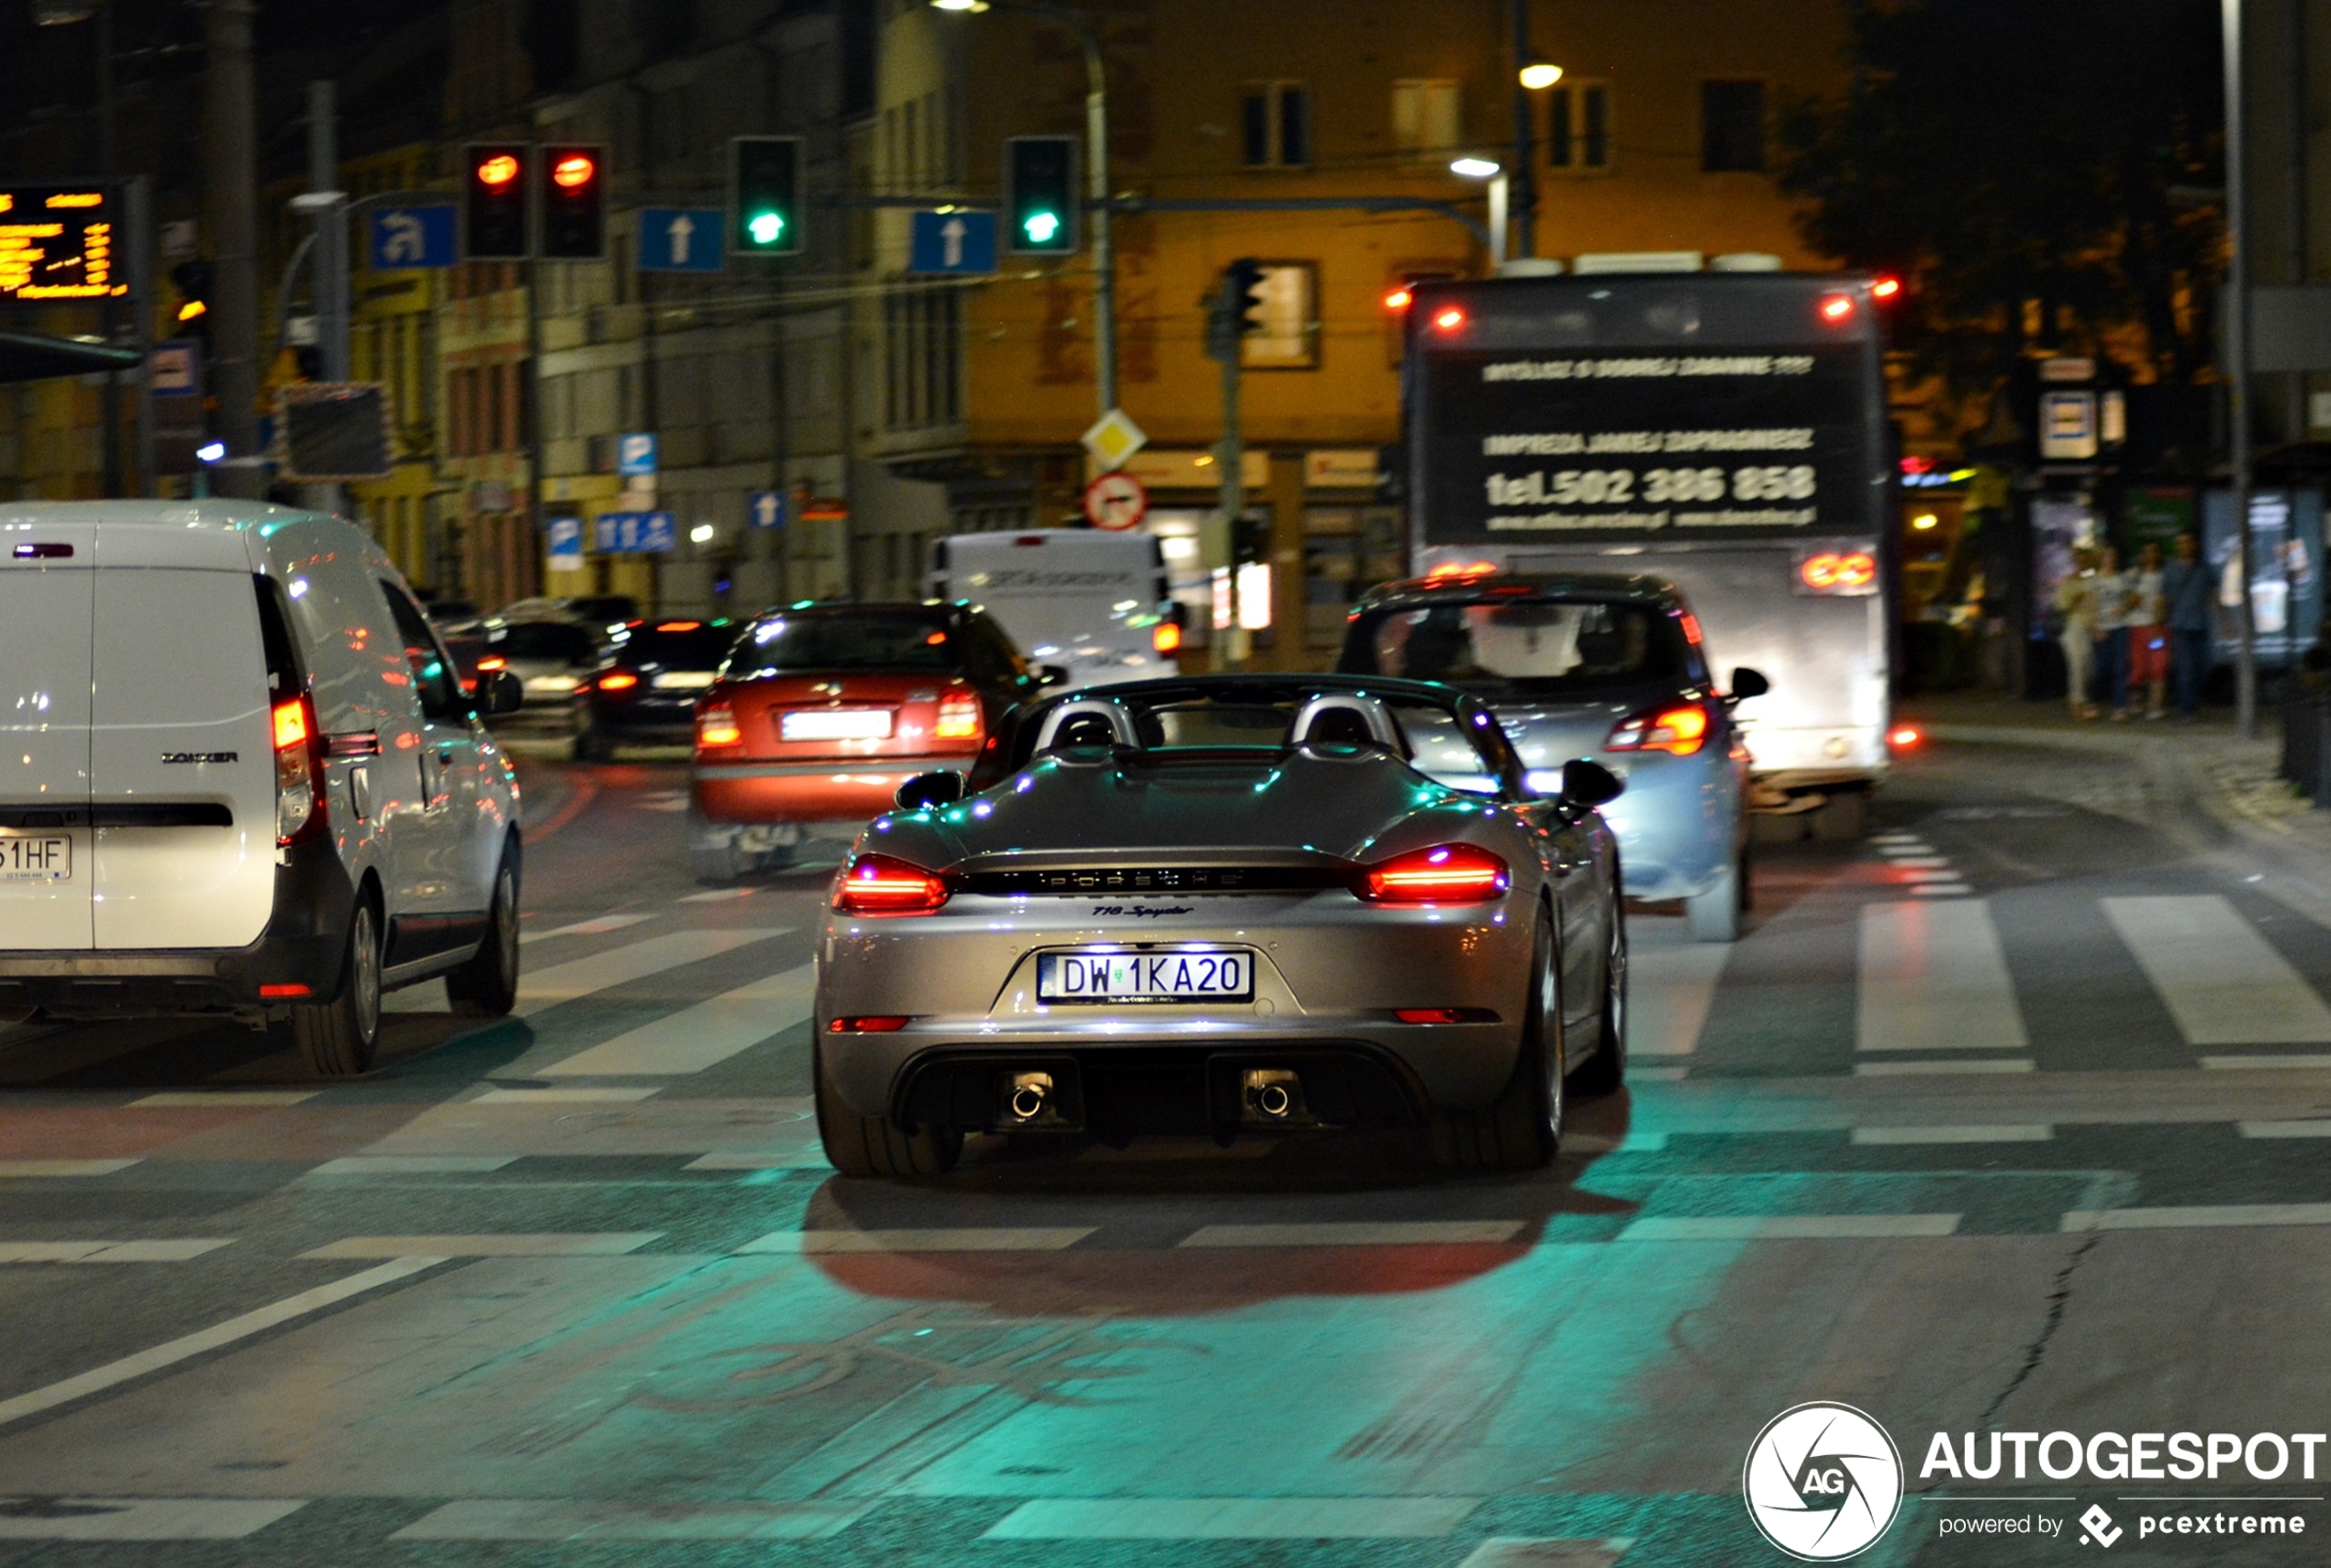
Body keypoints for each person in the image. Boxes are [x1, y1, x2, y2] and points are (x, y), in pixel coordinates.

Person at [2160, 531, 2214, 717]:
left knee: (2202, 667)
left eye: (2186, 542)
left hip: (2200, 625)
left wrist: (2225, 622)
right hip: (2180, 625)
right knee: (2186, 669)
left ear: (2194, 545)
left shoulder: (2203, 569)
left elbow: (2212, 595)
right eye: (2179, 543)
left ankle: (2194, 701)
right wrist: (2160, 623)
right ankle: (2186, 709)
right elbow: (2164, 598)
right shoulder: (2170, 569)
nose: (2183, 547)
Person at [2053, 548, 2101, 719]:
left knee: (2089, 666)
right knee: (2077, 665)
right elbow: (2061, 605)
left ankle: (2078, 697)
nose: (2082, 563)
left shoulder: (2093, 579)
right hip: (2073, 628)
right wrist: (2076, 598)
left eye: (2084, 560)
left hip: (2089, 627)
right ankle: (2078, 703)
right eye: (2079, 560)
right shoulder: (2069, 581)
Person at [2125, 541, 2169, 719]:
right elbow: (2128, 602)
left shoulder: (2165, 576)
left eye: (2154, 551)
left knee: (2158, 664)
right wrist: (2133, 600)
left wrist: (2157, 624)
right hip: (2138, 627)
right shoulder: (2134, 576)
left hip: (2158, 629)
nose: (2150, 555)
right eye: (2146, 552)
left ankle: (2155, 705)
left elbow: (2164, 601)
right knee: (2139, 666)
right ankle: (2136, 699)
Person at [2091, 544, 2132, 718]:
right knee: (2101, 668)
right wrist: (2096, 627)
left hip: (2120, 627)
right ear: (2101, 558)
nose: (2110, 559)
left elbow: (2132, 597)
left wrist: (2124, 608)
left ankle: (2120, 706)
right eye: (2107, 556)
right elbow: (2090, 605)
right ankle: (2092, 701)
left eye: (2113, 556)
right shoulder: (2094, 580)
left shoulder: (2122, 578)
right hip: (2102, 628)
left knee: (2120, 667)